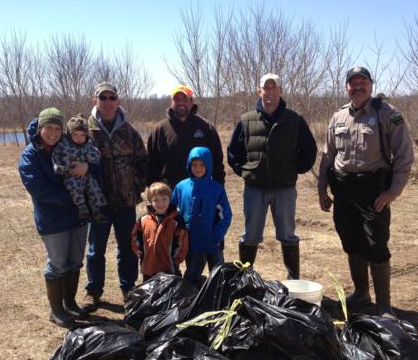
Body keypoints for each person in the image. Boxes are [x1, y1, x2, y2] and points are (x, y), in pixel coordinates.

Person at [317, 66, 415, 319]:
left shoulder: (388, 114)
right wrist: (322, 190)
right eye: (353, 83)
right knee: (350, 241)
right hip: (343, 190)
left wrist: (393, 192)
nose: (358, 87)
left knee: (376, 243)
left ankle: (384, 305)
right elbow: (328, 156)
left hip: (373, 190)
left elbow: (404, 155)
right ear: (347, 87)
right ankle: (361, 294)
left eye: (363, 82)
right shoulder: (338, 117)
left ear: (371, 85)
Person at [227, 73, 317, 279]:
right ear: (259, 91)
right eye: (265, 88)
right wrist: (245, 171)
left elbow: (310, 149)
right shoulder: (246, 120)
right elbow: (233, 151)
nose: (269, 92)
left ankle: (293, 280)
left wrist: (297, 169)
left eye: (273, 88)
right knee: (250, 235)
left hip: (284, 188)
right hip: (254, 189)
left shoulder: (294, 120)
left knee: (288, 235)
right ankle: (245, 278)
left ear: (280, 91)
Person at [18, 107, 88, 328]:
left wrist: (87, 166)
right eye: (49, 127)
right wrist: (74, 198)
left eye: (58, 128)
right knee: (58, 264)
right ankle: (56, 310)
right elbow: (39, 189)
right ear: (40, 128)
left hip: (77, 216)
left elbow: (90, 164)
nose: (53, 132)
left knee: (75, 261)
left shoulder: (67, 147)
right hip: (53, 219)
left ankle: (70, 302)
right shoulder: (30, 156)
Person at [83, 82, 148, 311]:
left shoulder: (129, 131)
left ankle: (128, 289)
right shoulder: (86, 130)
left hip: (125, 201)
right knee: (95, 249)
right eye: (104, 98)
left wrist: (135, 186)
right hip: (98, 202)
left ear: (118, 101)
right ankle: (93, 291)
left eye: (112, 98)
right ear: (95, 101)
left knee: (128, 247)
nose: (108, 102)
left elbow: (142, 161)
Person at [172, 146, 232, 287]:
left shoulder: (216, 189)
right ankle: (194, 301)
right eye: (194, 165)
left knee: (218, 275)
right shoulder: (181, 187)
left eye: (202, 164)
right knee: (192, 274)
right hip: (191, 241)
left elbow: (226, 215)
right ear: (189, 165)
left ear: (208, 165)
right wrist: (177, 234)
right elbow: (173, 213)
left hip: (213, 241)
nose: (198, 168)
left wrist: (217, 234)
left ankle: (217, 301)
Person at [147, 85, 225, 189]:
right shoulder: (159, 129)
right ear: (171, 102)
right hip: (168, 195)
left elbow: (217, 162)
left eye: (185, 99)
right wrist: (154, 192)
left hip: (200, 190)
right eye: (177, 99)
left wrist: (218, 189)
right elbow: (151, 164)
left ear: (192, 101)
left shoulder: (206, 128)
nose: (181, 102)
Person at [51, 114, 107, 221]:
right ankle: (82, 209)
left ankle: (97, 210)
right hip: (70, 174)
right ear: (69, 135)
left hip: (86, 175)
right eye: (75, 135)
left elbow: (97, 156)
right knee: (75, 189)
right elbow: (55, 155)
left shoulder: (88, 145)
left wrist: (90, 158)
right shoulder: (63, 144)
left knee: (94, 188)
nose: (79, 138)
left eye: (82, 135)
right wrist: (58, 167)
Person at [131, 182, 189, 281]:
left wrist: (176, 259)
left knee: (168, 294)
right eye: (156, 200)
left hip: (169, 267)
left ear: (170, 199)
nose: (160, 203)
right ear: (150, 201)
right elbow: (135, 236)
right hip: (148, 267)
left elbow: (182, 241)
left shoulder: (177, 220)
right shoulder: (143, 220)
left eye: (164, 199)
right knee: (150, 293)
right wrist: (138, 250)